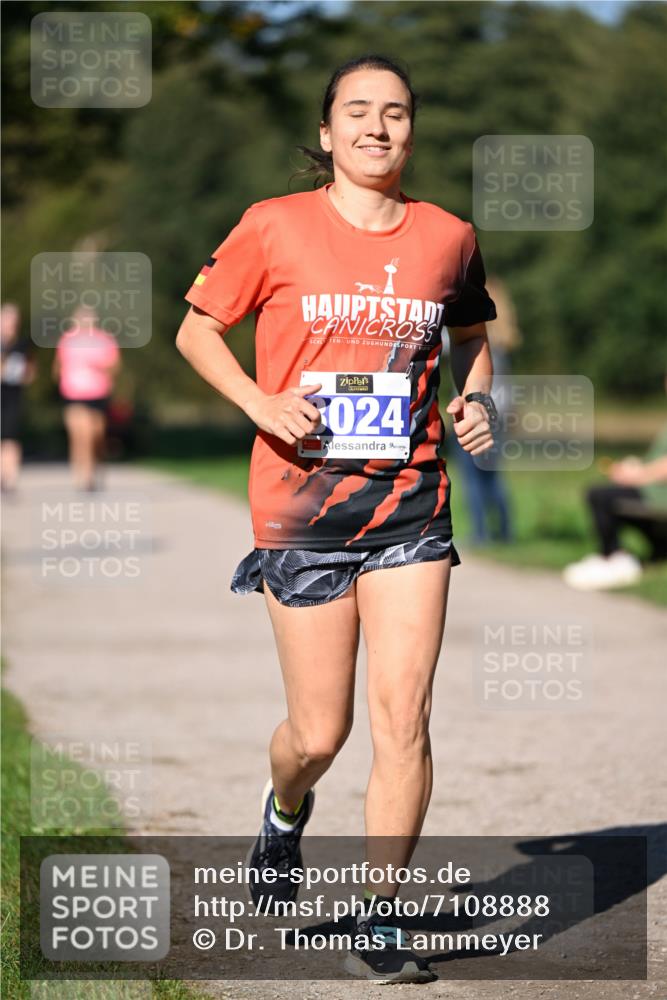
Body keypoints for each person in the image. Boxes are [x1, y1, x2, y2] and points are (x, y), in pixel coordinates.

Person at [176, 54, 497, 983]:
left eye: (395, 113)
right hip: (301, 503)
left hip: (409, 501)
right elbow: (198, 329)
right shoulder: (273, 226)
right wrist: (258, 401)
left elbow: (471, 336)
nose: (377, 127)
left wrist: (475, 400)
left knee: (404, 720)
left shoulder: (447, 236)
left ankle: (381, 916)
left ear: (411, 130)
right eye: (357, 111)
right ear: (325, 134)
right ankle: (283, 814)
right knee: (319, 734)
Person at [452, 275, 519, 544]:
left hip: (474, 411)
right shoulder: (502, 344)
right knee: (492, 475)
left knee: (471, 476)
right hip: (499, 413)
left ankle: (480, 533)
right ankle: (504, 531)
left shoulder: (476, 341)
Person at [563, 421, 667, 590]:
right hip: (649, 490)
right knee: (600, 494)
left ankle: (613, 556)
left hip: (658, 496)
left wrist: (639, 475)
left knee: (600, 496)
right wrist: (633, 467)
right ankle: (615, 555)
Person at [52, 305, 121, 491]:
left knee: (95, 436)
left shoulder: (104, 340)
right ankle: (83, 477)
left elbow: (115, 367)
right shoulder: (67, 339)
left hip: (97, 393)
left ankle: (97, 465)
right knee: (79, 435)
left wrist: (101, 368)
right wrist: (62, 379)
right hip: (72, 394)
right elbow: (57, 366)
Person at [1, 302, 36, 494]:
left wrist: (25, 373)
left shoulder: (22, 345)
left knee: (10, 438)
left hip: (13, 396)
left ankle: (9, 479)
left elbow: (30, 372)